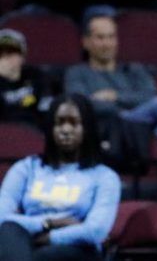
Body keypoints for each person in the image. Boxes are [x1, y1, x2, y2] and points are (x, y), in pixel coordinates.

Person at [64, 11, 157, 196]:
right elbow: (81, 105)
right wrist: (124, 106)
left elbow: (149, 94)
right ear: (86, 41)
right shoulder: (77, 73)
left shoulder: (132, 70)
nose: (107, 43)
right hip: (112, 128)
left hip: (143, 127)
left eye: (111, 37)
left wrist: (114, 97)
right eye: (100, 37)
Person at [0, 94, 121, 261]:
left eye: (74, 123)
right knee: (8, 231)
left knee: (39, 255)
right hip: (25, 243)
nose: (65, 130)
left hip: (78, 250)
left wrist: (48, 238)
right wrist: (50, 223)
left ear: (87, 128)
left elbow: (95, 231)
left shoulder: (104, 176)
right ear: (50, 128)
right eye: (59, 123)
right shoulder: (27, 168)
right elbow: (2, 217)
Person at [0, 29, 51, 126]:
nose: (6, 58)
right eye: (2, 54)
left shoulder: (36, 76)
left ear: (23, 56)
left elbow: (45, 108)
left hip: (34, 130)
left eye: (11, 53)